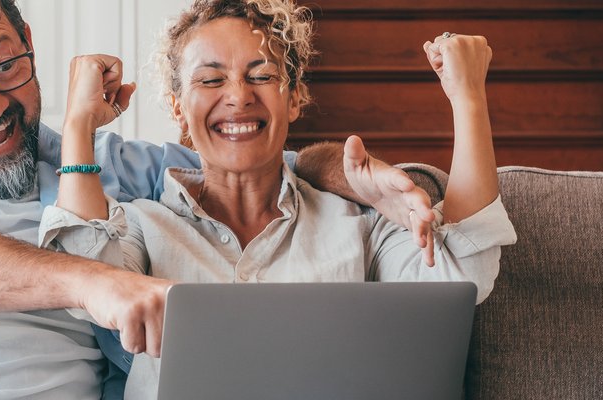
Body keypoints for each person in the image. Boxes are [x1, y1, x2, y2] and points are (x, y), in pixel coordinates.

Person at [0, 0, 434, 398]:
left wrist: (357, 175)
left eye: (5, 67)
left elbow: (260, 158)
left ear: (30, 46)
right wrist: (93, 283)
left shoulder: (116, 171)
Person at [39, 0, 520, 398]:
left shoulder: (357, 223)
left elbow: (463, 273)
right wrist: (79, 124)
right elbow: (83, 274)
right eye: (210, 80)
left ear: (293, 98)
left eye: (261, 75)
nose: (238, 96)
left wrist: (468, 98)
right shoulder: (145, 228)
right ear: (179, 108)